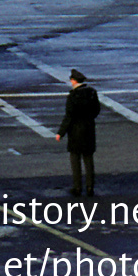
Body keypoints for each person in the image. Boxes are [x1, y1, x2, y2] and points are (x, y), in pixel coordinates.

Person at [56, 68, 100, 196]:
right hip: (89, 130)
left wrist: (61, 133)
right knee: (88, 159)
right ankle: (90, 186)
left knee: (75, 160)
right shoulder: (92, 92)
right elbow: (96, 110)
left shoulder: (73, 96)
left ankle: (77, 187)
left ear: (74, 81)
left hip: (75, 131)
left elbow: (68, 116)